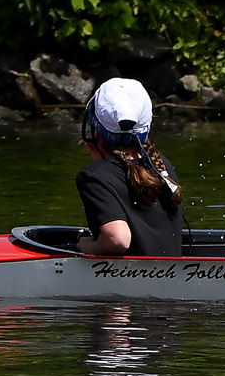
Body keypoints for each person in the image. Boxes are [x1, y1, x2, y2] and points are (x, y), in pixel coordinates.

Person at [74, 78, 186, 257]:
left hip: (133, 282)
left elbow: (118, 240)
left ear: (95, 127)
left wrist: (86, 246)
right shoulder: (162, 167)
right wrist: (102, 164)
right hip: (171, 279)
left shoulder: (92, 177)